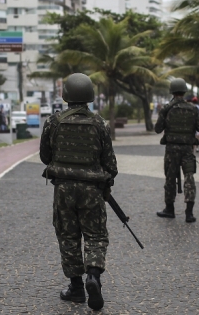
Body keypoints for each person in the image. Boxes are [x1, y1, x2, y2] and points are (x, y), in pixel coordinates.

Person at [39, 73, 118, 311]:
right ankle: (93, 277)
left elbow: (45, 156)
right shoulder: (100, 124)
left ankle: (76, 289)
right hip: (92, 191)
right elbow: (111, 166)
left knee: (68, 236)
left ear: (66, 96)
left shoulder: (53, 122)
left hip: (63, 190)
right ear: (90, 97)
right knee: (95, 236)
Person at [155, 79, 199, 223]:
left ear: (172, 91)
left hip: (171, 149)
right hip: (187, 149)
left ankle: (169, 210)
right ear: (184, 92)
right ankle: (189, 213)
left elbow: (158, 129)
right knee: (189, 178)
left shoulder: (166, 108)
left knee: (170, 179)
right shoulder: (193, 108)